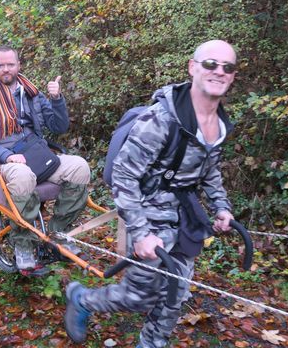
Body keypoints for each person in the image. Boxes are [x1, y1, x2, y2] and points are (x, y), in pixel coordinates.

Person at [64, 40, 238, 348]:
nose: (219, 72)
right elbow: (123, 174)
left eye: (228, 67)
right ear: (192, 67)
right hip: (147, 209)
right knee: (138, 295)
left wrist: (221, 208)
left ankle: (152, 343)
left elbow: (209, 171)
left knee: (176, 292)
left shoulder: (219, 122)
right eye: (210, 64)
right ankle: (83, 300)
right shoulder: (161, 118)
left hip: (185, 213)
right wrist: (141, 233)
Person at [0, 46, 90, 272]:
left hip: (35, 155)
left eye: (10, 64)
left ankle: (57, 234)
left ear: (18, 65)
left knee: (80, 167)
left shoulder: (32, 93)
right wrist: (7, 155)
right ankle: (23, 245)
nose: (6, 69)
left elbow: (59, 126)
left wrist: (56, 99)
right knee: (23, 176)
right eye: (0, 65)